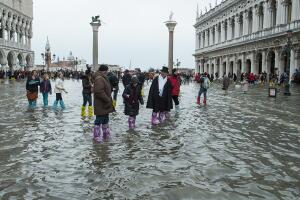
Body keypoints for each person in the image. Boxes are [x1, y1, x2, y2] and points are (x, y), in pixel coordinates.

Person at [93, 65, 114, 143]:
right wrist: (107, 99)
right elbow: (99, 91)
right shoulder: (99, 79)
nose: (107, 72)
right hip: (101, 104)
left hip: (105, 104)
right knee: (99, 120)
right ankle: (96, 136)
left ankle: (106, 134)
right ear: (104, 71)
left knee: (105, 119)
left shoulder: (103, 78)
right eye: (107, 71)